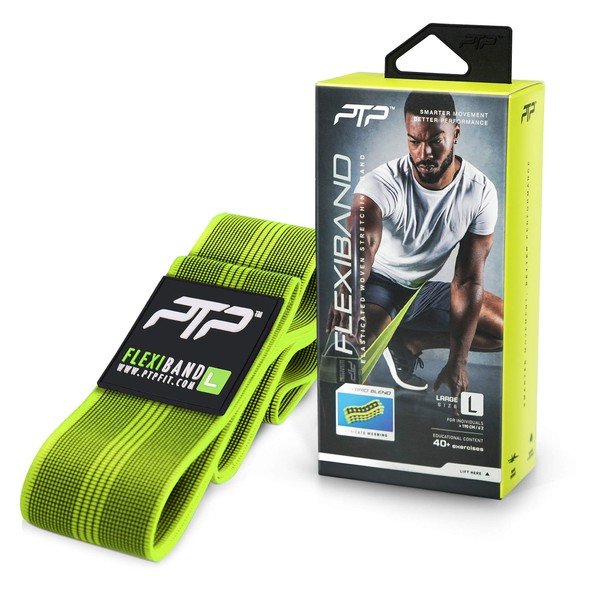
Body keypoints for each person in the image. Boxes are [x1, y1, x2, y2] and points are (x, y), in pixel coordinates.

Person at [326, 91, 503, 398]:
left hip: (421, 289)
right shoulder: (382, 182)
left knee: (510, 329)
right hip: (378, 283)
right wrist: (348, 291)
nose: (424, 153)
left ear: (455, 133)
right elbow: (364, 242)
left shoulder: (480, 192)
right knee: (352, 350)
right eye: (414, 141)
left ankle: (409, 342)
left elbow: (467, 279)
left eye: (436, 141)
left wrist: (458, 361)